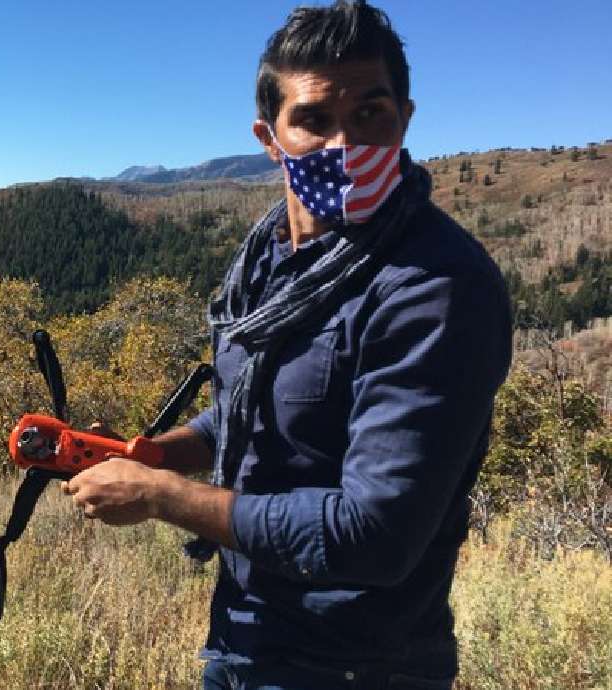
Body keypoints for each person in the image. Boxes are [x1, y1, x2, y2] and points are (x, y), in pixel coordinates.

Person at [61, 2, 512, 688]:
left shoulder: (436, 287)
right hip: (248, 634)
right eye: (313, 120)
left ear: (405, 118)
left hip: (360, 664)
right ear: (270, 138)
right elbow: (252, 405)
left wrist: (161, 496)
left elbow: (375, 533)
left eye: (370, 114)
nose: (344, 144)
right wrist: (153, 454)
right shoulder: (268, 261)